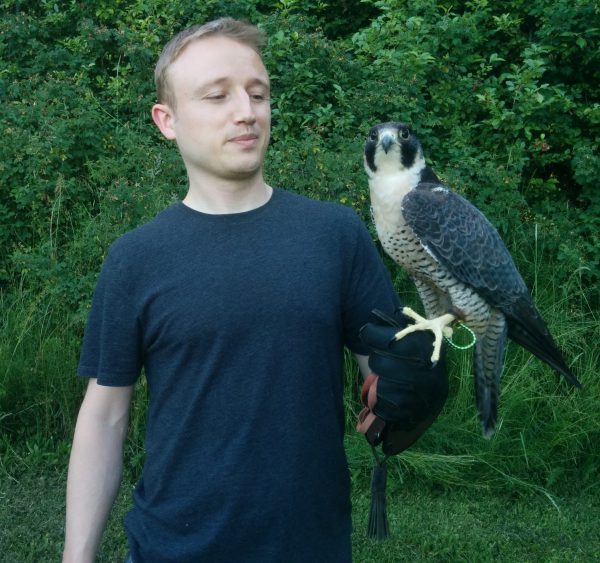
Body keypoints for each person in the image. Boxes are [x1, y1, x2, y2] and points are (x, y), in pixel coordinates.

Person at [62, 18, 445, 563]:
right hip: (171, 545)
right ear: (166, 121)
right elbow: (103, 418)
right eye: (217, 96)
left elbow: (385, 410)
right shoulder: (136, 258)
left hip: (308, 546)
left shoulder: (334, 235)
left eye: (257, 93)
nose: (246, 111)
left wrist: (414, 391)